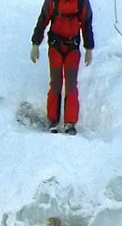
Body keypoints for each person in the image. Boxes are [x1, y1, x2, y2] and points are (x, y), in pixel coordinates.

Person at [30, 0, 94, 135]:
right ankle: (53, 121)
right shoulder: (52, 2)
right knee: (56, 83)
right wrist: (35, 44)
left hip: (72, 47)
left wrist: (89, 48)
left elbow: (87, 23)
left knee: (71, 84)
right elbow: (43, 20)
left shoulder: (82, 2)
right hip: (55, 46)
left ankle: (69, 123)